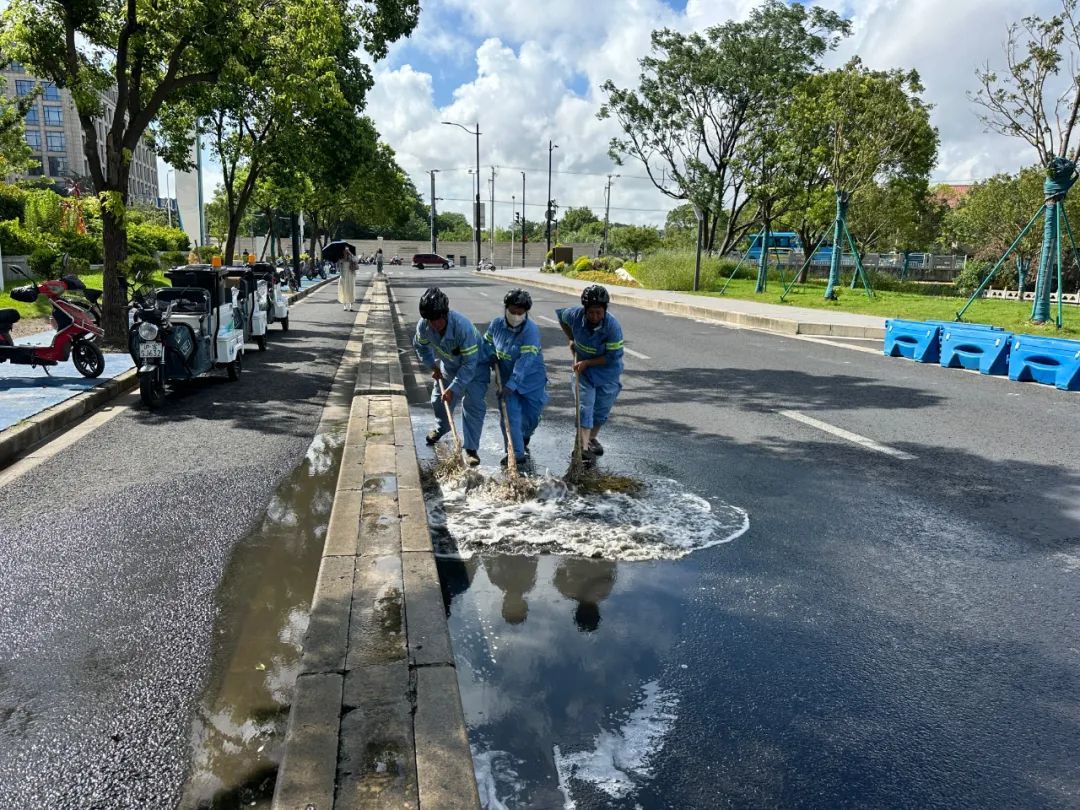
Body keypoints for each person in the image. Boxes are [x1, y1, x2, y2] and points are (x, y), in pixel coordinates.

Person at [414, 287, 489, 466]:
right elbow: (421, 346)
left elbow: (470, 365)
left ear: (445, 314)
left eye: (437, 319)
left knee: (473, 405)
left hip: (476, 366)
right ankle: (442, 428)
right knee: (439, 399)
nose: (434, 324)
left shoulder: (462, 327)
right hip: (450, 365)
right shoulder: (424, 326)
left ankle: (470, 449)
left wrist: (454, 388)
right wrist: (432, 365)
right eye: (430, 320)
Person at [556, 284, 624, 465]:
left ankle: (591, 438)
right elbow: (560, 316)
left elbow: (612, 356)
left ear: (605, 310)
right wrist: (571, 338)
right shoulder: (574, 315)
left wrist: (588, 362)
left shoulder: (612, 327)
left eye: (599, 313)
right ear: (584, 310)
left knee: (601, 410)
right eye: (591, 312)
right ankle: (582, 448)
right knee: (585, 406)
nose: (595, 317)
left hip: (607, 371)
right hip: (583, 371)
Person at [485, 289, 548, 467]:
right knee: (510, 417)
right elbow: (486, 341)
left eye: (520, 313)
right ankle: (515, 454)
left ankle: (524, 436)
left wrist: (513, 383)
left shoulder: (531, 330)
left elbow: (525, 361)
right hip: (505, 382)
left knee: (531, 419)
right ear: (506, 309)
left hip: (532, 382)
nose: (516, 316)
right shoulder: (496, 324)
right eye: (512, 311)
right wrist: (490, 353)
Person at [337, 246, 358, 311]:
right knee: (344, 290)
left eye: (347, 252)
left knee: (351, 290)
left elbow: (356, 260)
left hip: (350, 275)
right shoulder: (340, 259)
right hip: (343, 276)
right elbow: (338, 269)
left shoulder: (351, 258)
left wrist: (350, 253)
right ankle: (345, 306)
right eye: (345, 251)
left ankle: (351, 306)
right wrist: (340, 262)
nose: (345, 253)